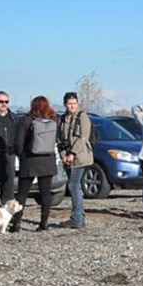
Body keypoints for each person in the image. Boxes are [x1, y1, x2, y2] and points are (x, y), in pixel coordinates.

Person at [10, 96, 58, 232]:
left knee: (22, 193)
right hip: (48, 160)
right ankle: (44, 223)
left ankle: (16, 223)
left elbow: (18, 142)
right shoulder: (53, 120)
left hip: (30, 160)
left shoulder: (26, 120)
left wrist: (22, 156)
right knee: (45, 194)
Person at [57, 92, 94, 229]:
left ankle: (77, 218)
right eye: (69, 103)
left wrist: (73, 153)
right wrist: (63, 155)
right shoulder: (62, 119)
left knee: (74, 185)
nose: (72, 106)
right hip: (67, 157)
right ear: (65, 104)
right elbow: (60, 139)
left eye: (74, 103)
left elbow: (83, 137)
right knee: (74, 186)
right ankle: (79, 217)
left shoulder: (82, 117)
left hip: (80, 157)